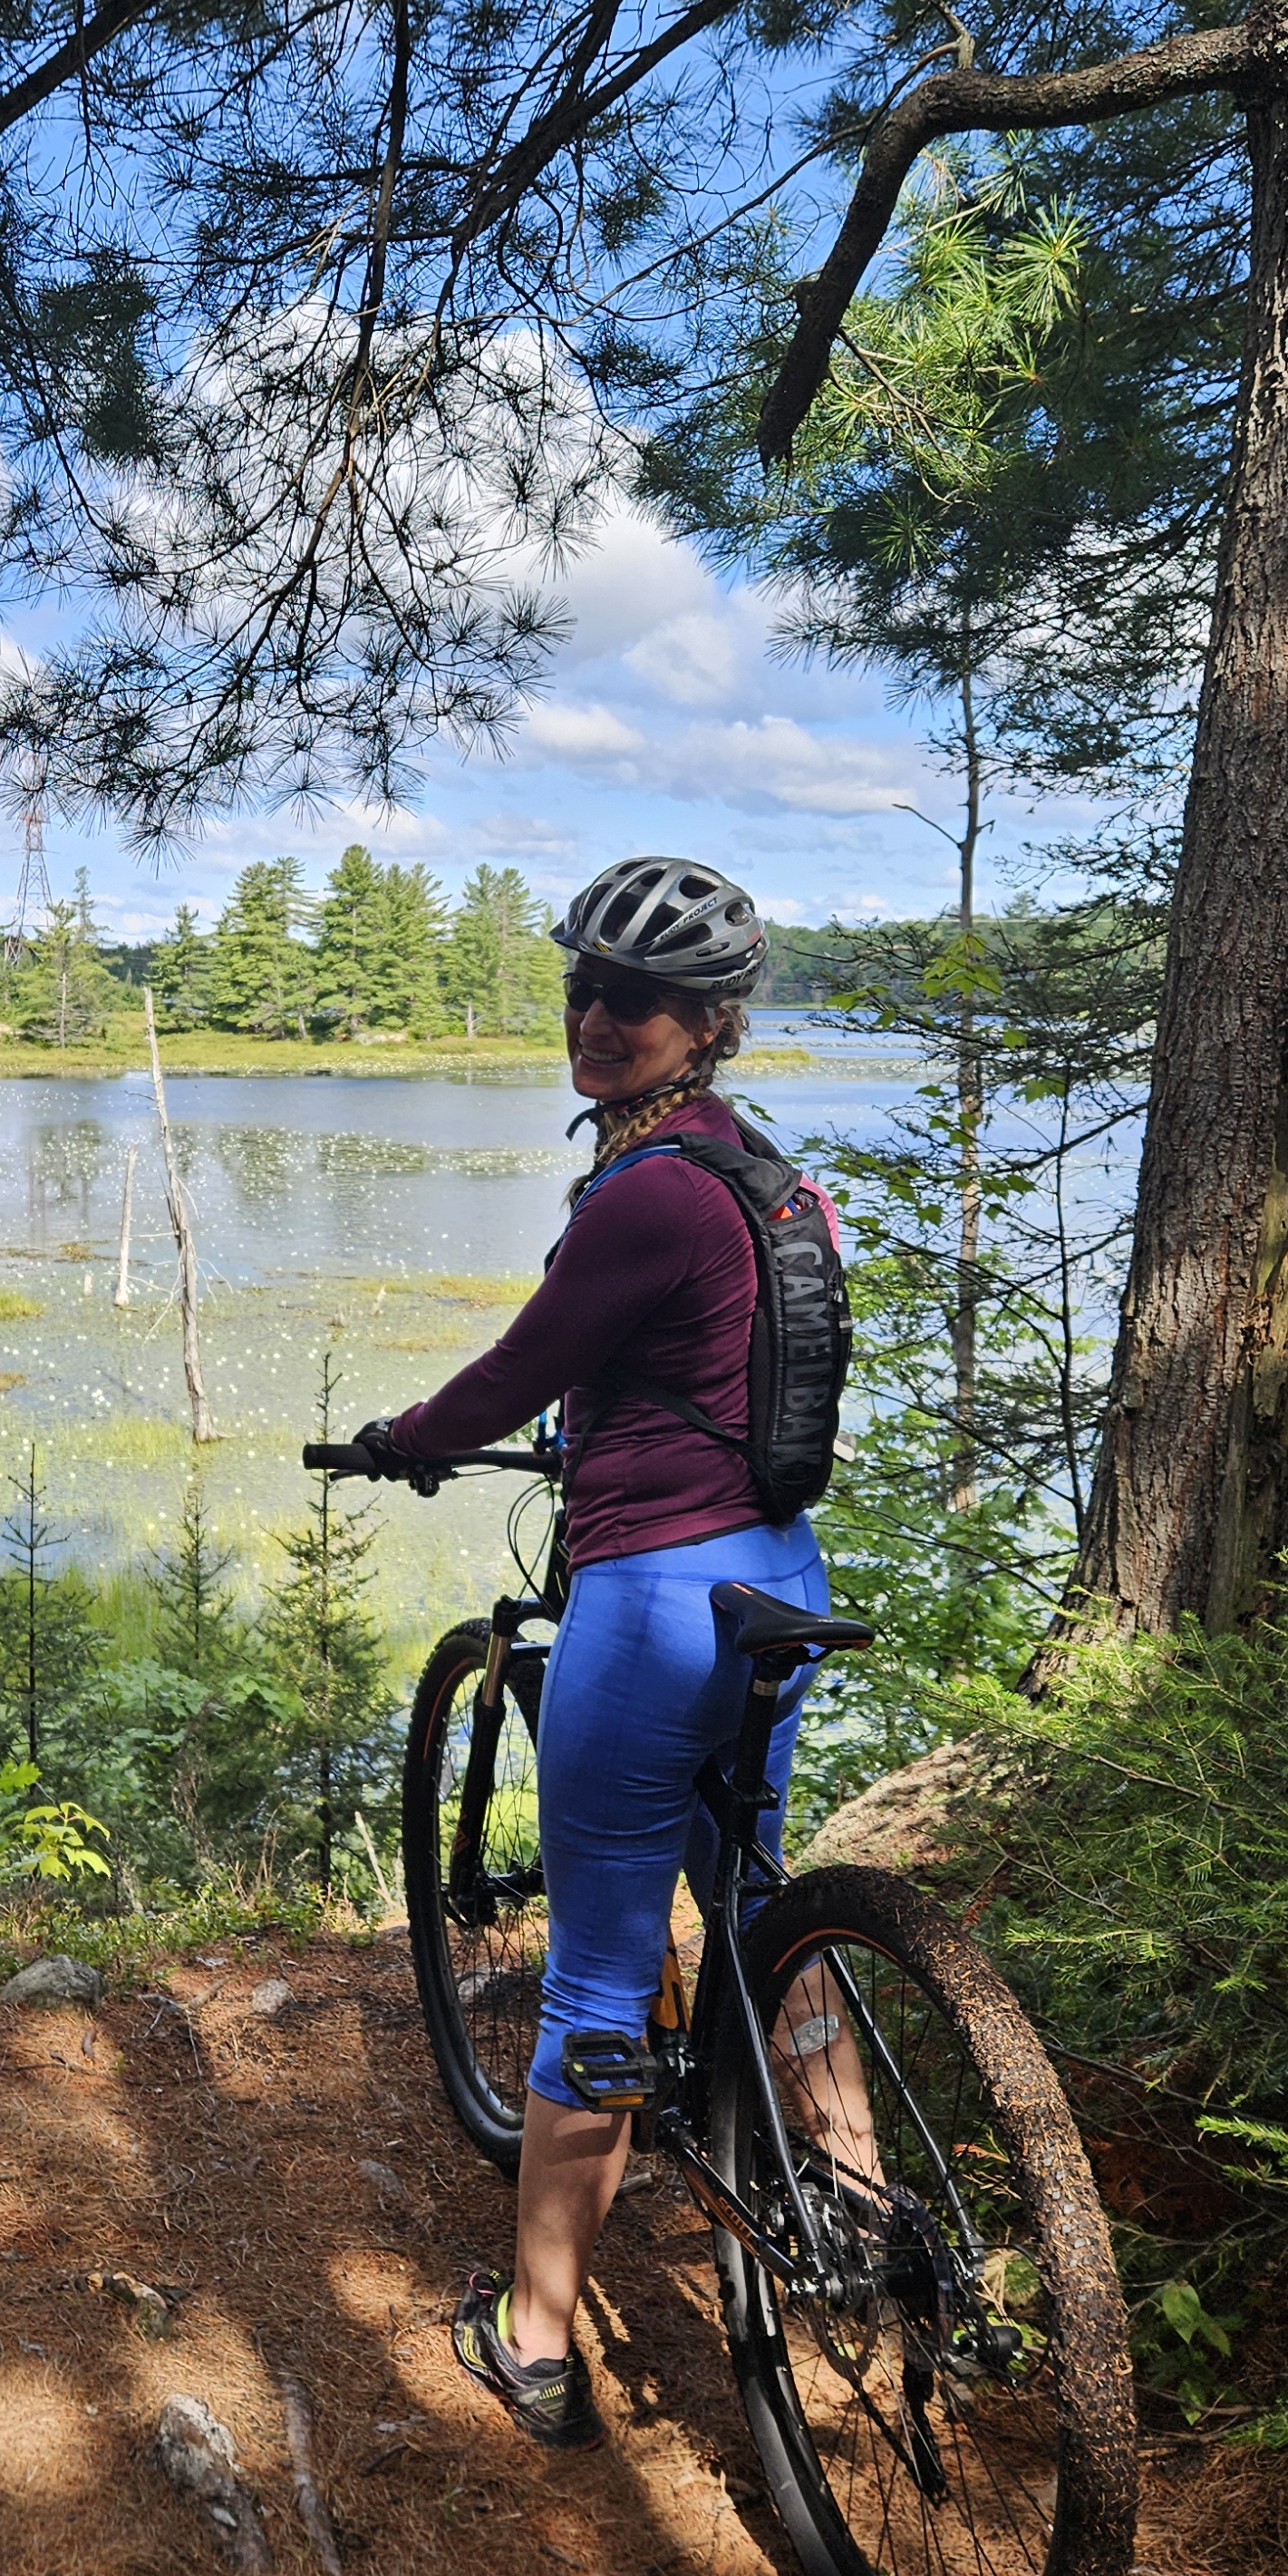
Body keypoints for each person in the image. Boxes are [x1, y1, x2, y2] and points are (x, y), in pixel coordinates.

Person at [358, 853, 839, 2451]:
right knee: (763, 1899)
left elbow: (521, 1372)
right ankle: (860, 2219)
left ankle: (538, 2339)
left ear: (708, 1023)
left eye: (633, 999)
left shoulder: (647, 1196)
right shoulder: (777, 1185)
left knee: (601, 1968)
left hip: (651, 1607)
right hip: (777, 1579)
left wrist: (400, 1439)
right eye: (581, 987)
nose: (596, 1017)